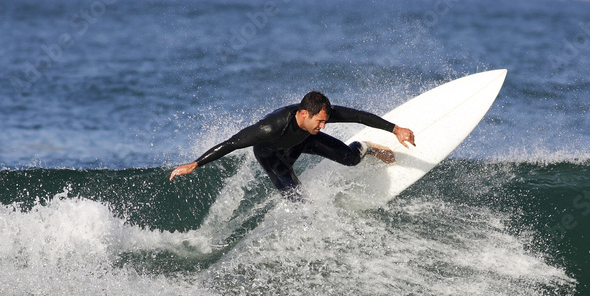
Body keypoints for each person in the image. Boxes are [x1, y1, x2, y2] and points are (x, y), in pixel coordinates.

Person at [169, 91, 416, 194]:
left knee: (350, 159)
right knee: (297, 199)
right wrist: (195, 164)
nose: (323, 126)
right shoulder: (270, 126)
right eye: (319, 122)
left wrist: (395, 129)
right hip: (272, 156)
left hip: (302, 141)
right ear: (303, 113)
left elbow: (359, 116)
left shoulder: (318, 116)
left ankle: (367, 147)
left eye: (325, 121)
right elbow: (233, 143)